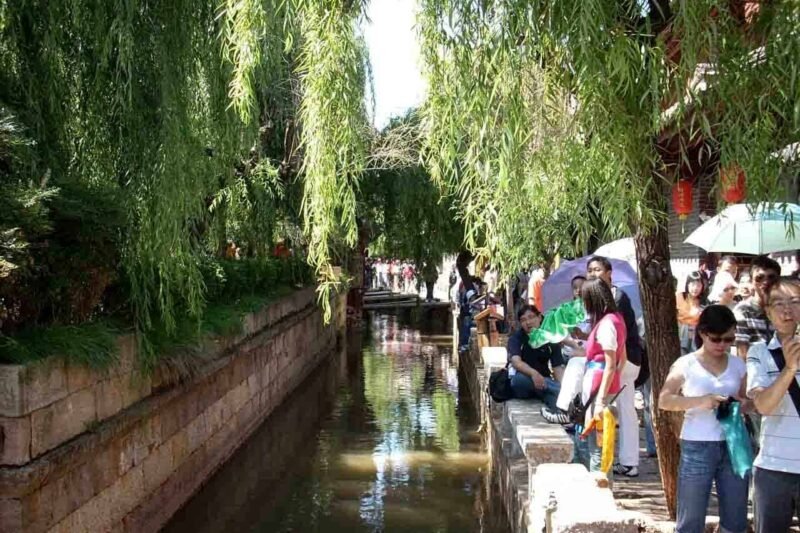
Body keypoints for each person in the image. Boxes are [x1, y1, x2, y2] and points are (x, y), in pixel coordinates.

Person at [659, 305, 749, 533]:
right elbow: (664, 400)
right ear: (702, 333)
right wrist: (701, 401)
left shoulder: (738, 364)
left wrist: (739, 403)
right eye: (716, 339)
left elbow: (747, 401)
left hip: (734, 442)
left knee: (736, 518)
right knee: (690, 518)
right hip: (697, 443)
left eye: (728, 339)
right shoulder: (686, 364)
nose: (722, 345)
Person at [746, 278, 800, 533]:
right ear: (768, 312)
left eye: (794, 301)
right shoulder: (759, 352)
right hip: (773, 468)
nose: (787, 310)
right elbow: (764, 406)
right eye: (778, 303)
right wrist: (789, 369)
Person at [586, 256, 641, 477]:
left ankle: (629, 461)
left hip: (624, 361)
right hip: (617, 360)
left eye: (597, 269)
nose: (593, 274)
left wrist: (613, 371)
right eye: (590, 270)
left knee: (625, 408)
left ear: (609, 273)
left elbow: (619, 341)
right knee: (619, 409)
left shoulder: (616, 299)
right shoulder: (606, 305)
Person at [575, 278, 627, 477]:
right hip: (605, 385)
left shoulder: (606, 325)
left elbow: (611, 363)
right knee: (600, 445)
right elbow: (622, 359)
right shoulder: (617, 319)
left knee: (598, 448)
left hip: (598, 390)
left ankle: (600, 488)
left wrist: (601, 400)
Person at [507, 305, 566, 411]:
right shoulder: (516, 338)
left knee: (552, 395)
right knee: (518, 381)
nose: (528, 322)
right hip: (525, 381)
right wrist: (533, 374)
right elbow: (516, 362)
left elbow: (557, 367)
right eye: (523, 320)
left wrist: (562, 383)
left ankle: (559, 412)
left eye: (531, 317)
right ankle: (563, 392)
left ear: (539, 317)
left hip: (544, 383)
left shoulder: (550, 338)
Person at [734, 255, 781, 360]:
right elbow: (743, 354)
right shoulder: (743, 310)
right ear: (752, 281)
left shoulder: (783, 310)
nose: (765, 282)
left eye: (771, 277)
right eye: (759, 278)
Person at [677, 271, 707, 355]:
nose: (695, 288)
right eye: (693, 284)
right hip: (681, 334)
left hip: (696, 336)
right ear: (687, 285)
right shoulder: (680, 297)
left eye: (698, 285)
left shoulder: (703, 302)